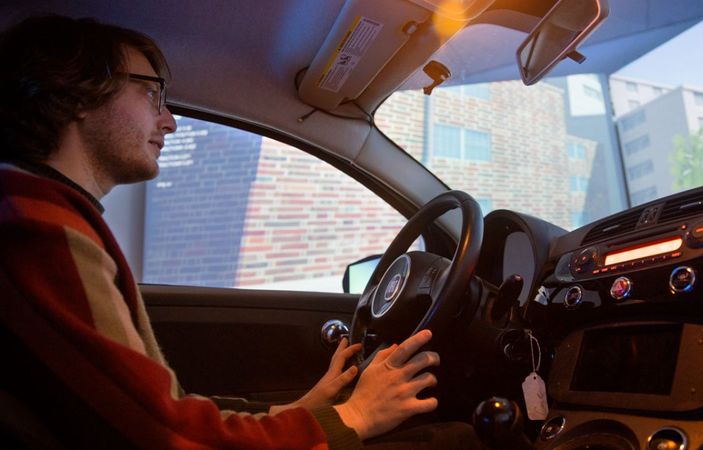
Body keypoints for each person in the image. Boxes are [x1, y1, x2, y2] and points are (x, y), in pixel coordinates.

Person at [0, 15, 484, 449]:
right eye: (152, 94)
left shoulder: (42, 215)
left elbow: (161, 410)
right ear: (77, 91)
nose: (168, 121)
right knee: (456, 439)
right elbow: (167, 435)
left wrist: (309, 408)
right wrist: (353, 417)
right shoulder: (37, 226)